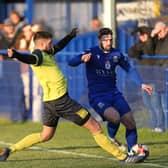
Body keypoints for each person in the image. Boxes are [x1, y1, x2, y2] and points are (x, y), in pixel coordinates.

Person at [0, 28, 146, 163]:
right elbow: (30, 59)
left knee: (45, 135)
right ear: (42, 43)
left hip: (50, 103)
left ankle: (9, 150)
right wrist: (17, 55)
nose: (52, 45)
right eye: (50, 42)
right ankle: (124, 157)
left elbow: (58, 47)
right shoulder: (38, 55)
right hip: (62, 102)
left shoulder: (46, 53)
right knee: (95, 127)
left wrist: (70, 36)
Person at [68, 27, 153, 154]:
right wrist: (81, 59)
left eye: (110, 40)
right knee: (115, 117)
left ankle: (132, 152)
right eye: (105, 40)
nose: (108, 43)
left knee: (130, 122)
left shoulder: (116, 54)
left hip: (114, 93)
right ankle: (112, 138)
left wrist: (141, 83)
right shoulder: (92, 52)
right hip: (97, 96)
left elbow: (129, 69)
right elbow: (71, 62)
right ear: (99, 40)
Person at [128, 26, 166, 132]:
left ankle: (160, 126)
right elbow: (131, 53)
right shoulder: (140, 45)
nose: (140, 37)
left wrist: (147, 40)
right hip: (144, 80)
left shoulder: (153, 43)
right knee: (149, 105)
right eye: (139, 36)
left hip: (153, 79)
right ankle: (153, 125)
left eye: (142, 35)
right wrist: (140, 45)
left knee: (156, 104)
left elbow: (149, 51)